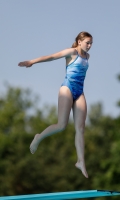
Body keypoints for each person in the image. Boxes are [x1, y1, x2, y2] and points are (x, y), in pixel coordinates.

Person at [18, 31, 93, 178]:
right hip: (67, 88)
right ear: (79, 41)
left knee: (81, 128)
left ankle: (81, 161)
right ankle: (38, 137)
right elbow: (52, 57)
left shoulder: (87, 57)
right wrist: (32, 61)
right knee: (61, 125)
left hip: (80, 92)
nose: (89, 46)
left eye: (91, 44)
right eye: (87, 43)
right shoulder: (72, 52)